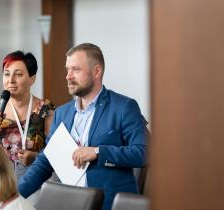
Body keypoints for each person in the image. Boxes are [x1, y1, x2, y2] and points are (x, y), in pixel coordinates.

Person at [18, 43, 148, 210]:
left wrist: (98, 152)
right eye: (67, 70)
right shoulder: (61, 113)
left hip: (109, 204)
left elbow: (145, 152)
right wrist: (14, 195)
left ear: (96, 71)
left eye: (75, 70)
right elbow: (46, 160)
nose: (68, 76)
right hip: (69, 203)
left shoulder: (124, 107)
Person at [0, 50, 54, 182]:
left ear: (32, 79)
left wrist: (36, 157)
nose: (11, 80)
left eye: (18, 74)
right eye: (7, 74)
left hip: (34, 180)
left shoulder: (45, 108)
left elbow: (55, 151)